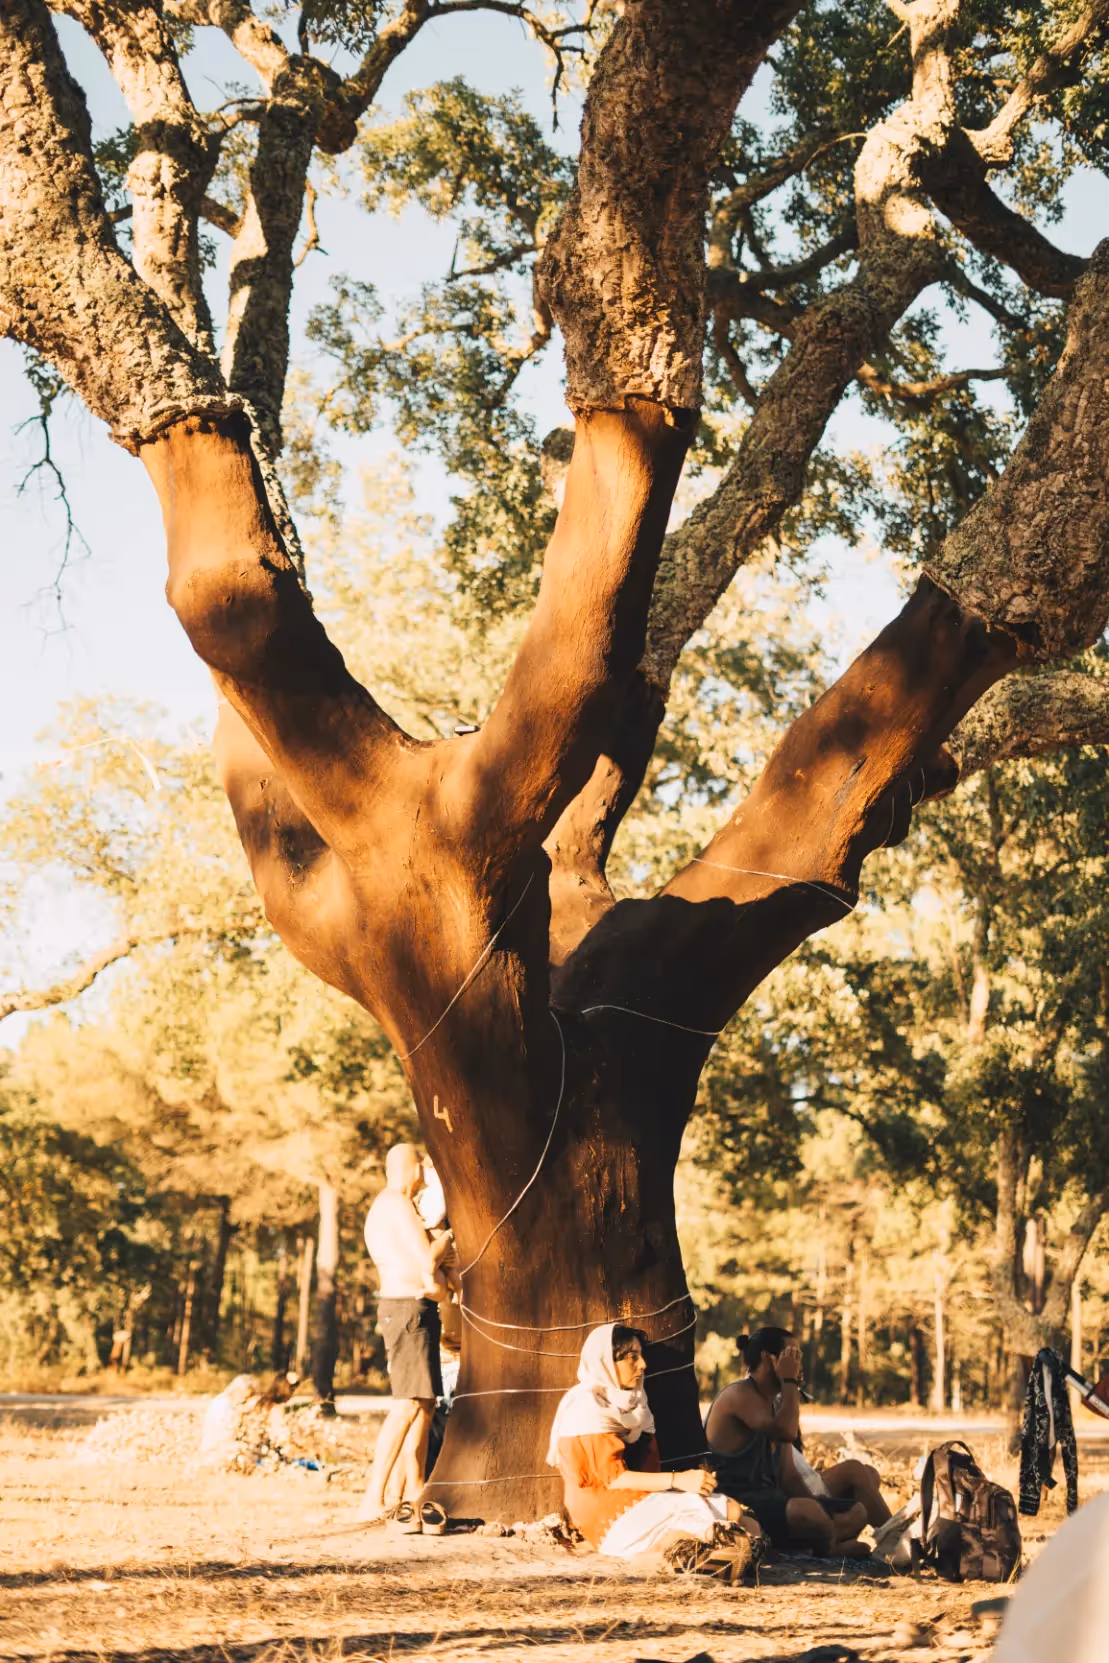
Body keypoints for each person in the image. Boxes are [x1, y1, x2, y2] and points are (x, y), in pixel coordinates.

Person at [548, 1322, 762, 1562]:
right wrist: (679, 1480)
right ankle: (701, 1554)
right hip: (606, 1514)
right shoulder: (587, 1407)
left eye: (641, 1356)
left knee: (740, 1518)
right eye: (632, 1357)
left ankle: (723, 1554)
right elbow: (614, 1478)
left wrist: (686, 1484)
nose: (643, 1365)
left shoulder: (634, 1406)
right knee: (723, 1518)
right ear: (606, 1362)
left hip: (636, 1501)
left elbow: (648, 1467)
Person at [706, 1327, 890, 1557]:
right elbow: (786, 1431)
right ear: (767, 1358)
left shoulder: (775, 1403)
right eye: (792, 1356)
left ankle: (813, 1543)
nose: (798, 1364)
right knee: (807, 1512)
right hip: (741, 1505)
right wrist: (790, 1382)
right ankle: (828, 1547)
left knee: (857, 1512)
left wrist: (822, 1511)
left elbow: (789, 1476)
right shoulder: (739, 1394)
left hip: (773, 1502)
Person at [358, 1143, 454, 1529]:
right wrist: (450, 1237)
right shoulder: (394, 1204)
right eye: (423, 1168)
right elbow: (427, 1258)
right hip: (405, 1308)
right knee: (407, 1404)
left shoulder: (401, 1205)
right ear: (413, 1168)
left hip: (419, 1309)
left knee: (426, 1403)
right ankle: (373, 1496)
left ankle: (413, 1492)